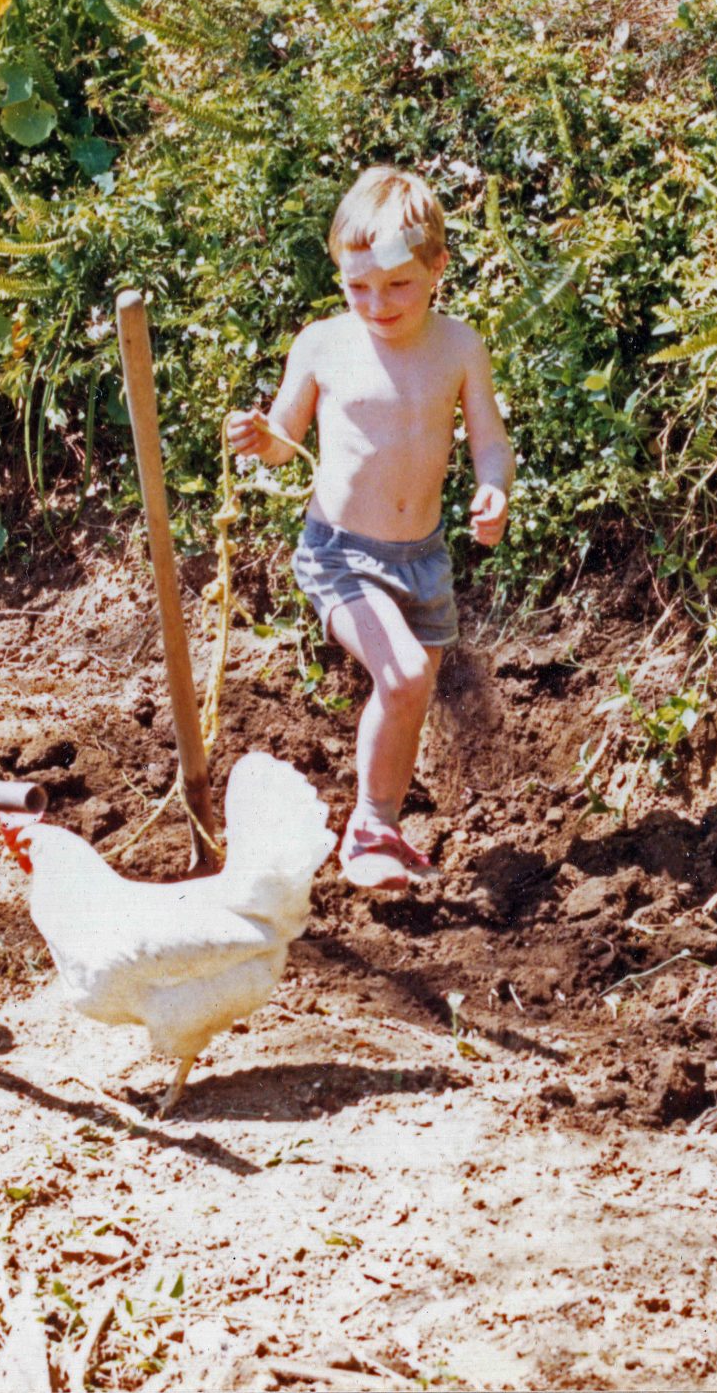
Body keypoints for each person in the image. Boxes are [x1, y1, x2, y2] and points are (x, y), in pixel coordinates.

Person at [224, 166, 515, 891]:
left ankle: (377, 820)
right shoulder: (324, 344)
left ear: (438, 266)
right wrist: (257, 434)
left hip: (424, 559)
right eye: (358, 287)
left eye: (397, 285)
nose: (377, 304)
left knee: (409, 696)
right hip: (341, 554)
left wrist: (494, 490)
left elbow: (490, 440)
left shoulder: (458, 348)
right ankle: (366, 834)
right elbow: (284, 434)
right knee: (406, 674)